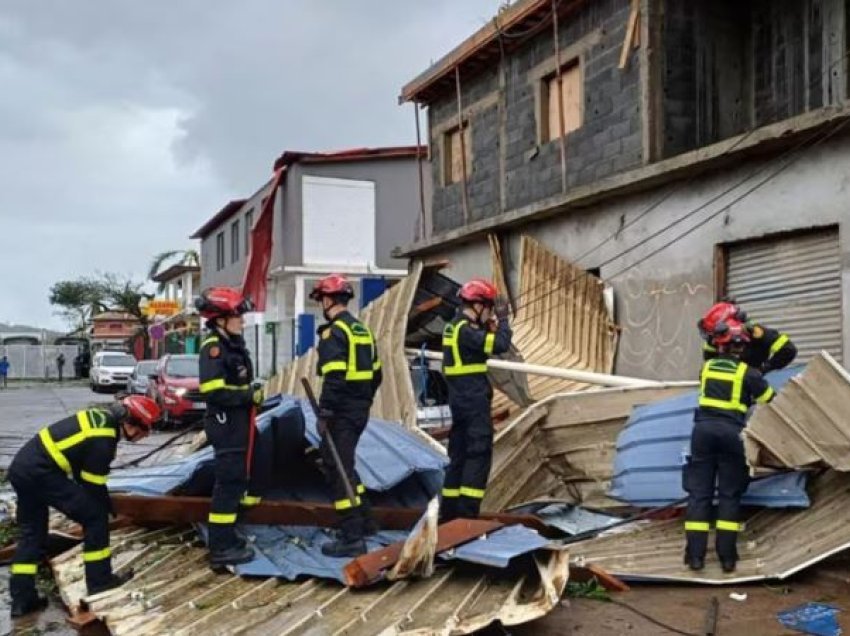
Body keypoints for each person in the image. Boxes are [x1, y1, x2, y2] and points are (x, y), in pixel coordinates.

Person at [8, 395, 159, 617]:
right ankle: (100, 582)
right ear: (132, 423)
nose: (145, 435)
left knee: (32, 535)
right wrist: (104, 507)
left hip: (22, 470)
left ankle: (22, 600)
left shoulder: (99, 419)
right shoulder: (105, 436)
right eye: (146, 429)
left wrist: (99, 499)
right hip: (42, 474)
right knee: (95, 518)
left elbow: (82, 470)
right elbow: (92, 483)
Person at [684, 319, 775, 574]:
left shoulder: (707, 368)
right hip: (732, 435)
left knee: (699, 495)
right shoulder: (749, 374)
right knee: (728, 495)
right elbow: (770, 400)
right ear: (742, 348)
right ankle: (727, 559)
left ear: (720, 345)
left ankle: (695, 558)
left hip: (702, 433)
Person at [310, 274, 382, 557]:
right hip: (359, 408)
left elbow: (334, 376)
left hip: (340, 411)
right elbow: (377, 374)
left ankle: (351, 536)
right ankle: (366, 521)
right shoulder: (361, 330)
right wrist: (362, 400)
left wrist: (326, 412)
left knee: (336, 467)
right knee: (345, 464)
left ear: (327, 300)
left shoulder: (334, 333)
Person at [196, 287, 263, 568]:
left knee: (236, 481)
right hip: (226, 425)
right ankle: (220, 548)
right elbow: (212, 391)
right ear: (221, 319)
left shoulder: (232, 345)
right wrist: (248, 396)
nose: (243, 321)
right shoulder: (214, 348)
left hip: (237, 424)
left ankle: (228, 536)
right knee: (228, 483)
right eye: (238, 316)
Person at [440, 278, 512, 522]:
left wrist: (487, 328)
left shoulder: (453, 327)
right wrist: (503, 321)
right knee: (478, 455)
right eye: (489, 308)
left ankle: (448, 515)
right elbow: (501, 344)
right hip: (473, 402)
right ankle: (467, 517)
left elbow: (475, 348)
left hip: (459, 402)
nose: (490, 313)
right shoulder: (466, 330)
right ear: (479, 306)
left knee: (458, 456)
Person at [698, 300, 797, 373]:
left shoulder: (757, 334)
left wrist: (765, 368)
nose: (716, 341)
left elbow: (788, 350)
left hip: (753, 386)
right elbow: (709, 361)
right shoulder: (713, 338)